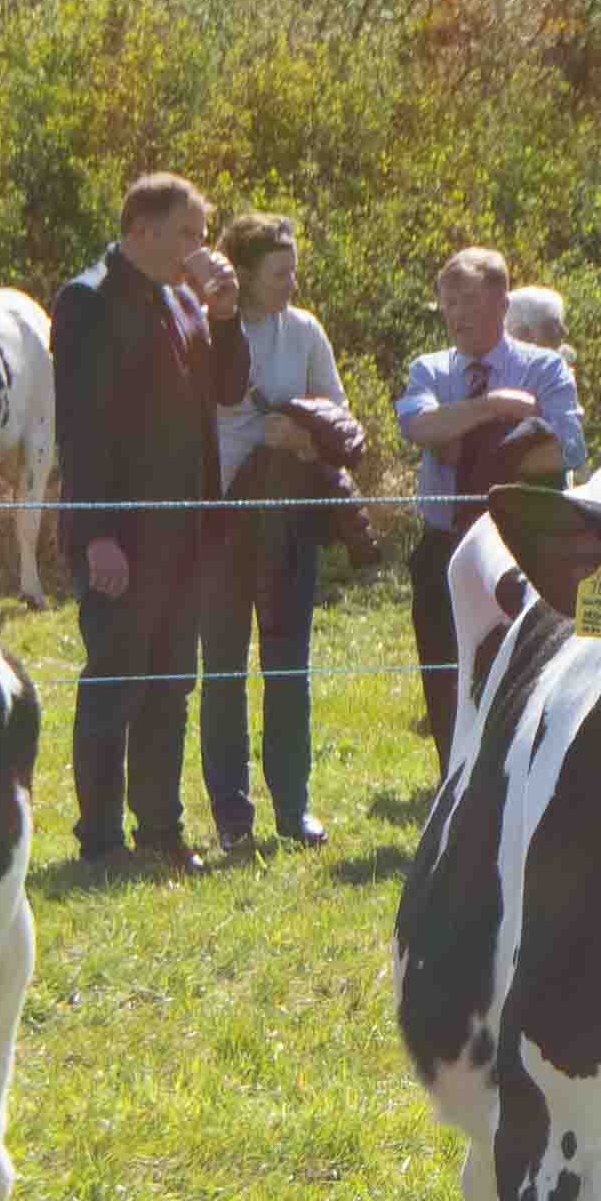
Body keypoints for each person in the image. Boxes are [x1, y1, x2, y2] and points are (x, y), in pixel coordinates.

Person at [53, 171, 245, 872]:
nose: (201, 248)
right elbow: (80, 428)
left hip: (186, 531)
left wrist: (226, 316)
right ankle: (101, 841)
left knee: (171, 686)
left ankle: (160, 830)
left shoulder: (186, 299)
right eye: (188, 233)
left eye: (203, 234)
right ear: (142, 229)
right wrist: (97, 533)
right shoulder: (88, 300)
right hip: (122, 535)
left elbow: (230, 390)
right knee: (116, 682)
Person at [208, 212, 362, 848]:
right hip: (219, 518)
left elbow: (340, 415)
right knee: (222, 670)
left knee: (288, 666)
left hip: (287, 517)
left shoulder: (305, 331)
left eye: (294, 270)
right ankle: (231, 817)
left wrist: (301, 437)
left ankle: (292, 808)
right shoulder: (207, 329)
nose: (291, 282)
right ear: (243, 274)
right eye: (279, 272)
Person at [395, 246, 584, 761]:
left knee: (529, 671)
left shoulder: (544, 367)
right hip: (444, 548)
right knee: (447, 680)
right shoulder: (429, 369)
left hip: (527, 546)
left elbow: (567, 448)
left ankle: (522, 775)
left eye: (470, 302)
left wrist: (467, 441)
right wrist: (496, 409)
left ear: (503, 304)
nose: (457, 315)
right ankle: (451, 781)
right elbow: (420, 427)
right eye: (449, 303)